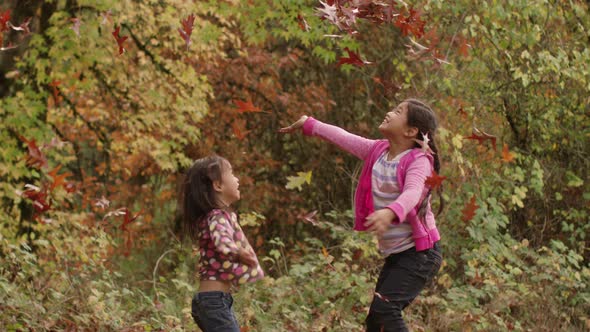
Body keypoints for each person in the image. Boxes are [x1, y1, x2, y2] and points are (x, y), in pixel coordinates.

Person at [279, 99, 443, 332]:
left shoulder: (419, 161)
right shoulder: (377, 151)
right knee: (376, 320)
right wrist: (310, 123)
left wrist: (390, 211)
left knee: (386, 310)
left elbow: (413, 192)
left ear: (410, 131)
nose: (389, 112)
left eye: (397, 112)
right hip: (398, 254)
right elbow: (345, 137)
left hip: (421, 254)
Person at [179, 155, 264, 332]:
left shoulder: (214, 216)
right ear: (217, 185)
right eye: (232, 174)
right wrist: (238, 252)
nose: (237, 179)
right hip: (214, 302)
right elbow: (222, 241)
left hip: (215, 301)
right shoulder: (217, 217)